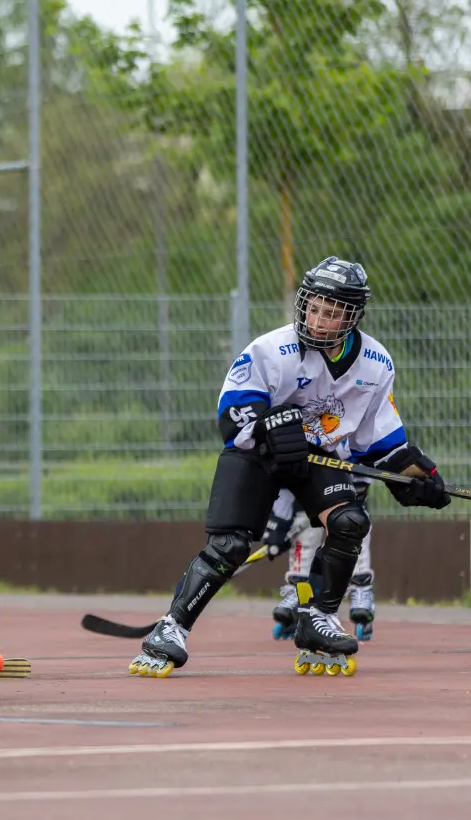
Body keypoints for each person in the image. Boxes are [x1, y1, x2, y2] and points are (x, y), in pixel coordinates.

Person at [129, 256, 449, 679]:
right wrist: (269, 429)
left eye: (331, 313)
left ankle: (316, 618)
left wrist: (420, 479)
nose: (318, 320)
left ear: (352, 317)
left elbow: (382, 442)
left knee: (350, 521)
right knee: (231, 546)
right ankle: (171, 629)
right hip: (256, 455)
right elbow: (233, 413)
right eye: (313, 307)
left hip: (318, 458)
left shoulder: (376, 365)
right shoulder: (271, 350)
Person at [263, 484, 376, 641]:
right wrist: (279, 519)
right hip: (310, 481)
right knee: (306, 523)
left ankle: (362, 588)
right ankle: (299, 590)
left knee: (352, 522)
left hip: (349, 477)